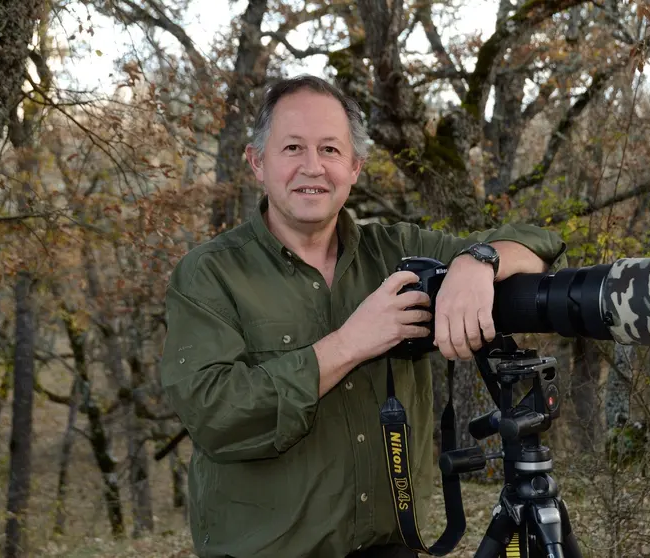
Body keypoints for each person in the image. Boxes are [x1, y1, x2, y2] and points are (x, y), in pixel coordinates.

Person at [159, 74, 567, 558]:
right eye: (292, 147)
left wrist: (477, 260)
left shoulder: (399, 253)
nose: (313, 167)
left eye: (330, 150)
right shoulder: (209, 275)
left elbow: (538, 244)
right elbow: (215, 414)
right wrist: (352, 342)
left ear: (355, 167)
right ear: (257, 163)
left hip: (391, 546)